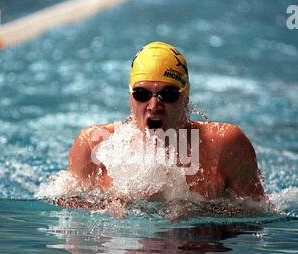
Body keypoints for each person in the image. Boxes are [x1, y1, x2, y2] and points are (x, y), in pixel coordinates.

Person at [67, 41, 266, 203]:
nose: (154, 105)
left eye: (168, 94)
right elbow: (65, 208)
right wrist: (105, 207)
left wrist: (198, 213)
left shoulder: (225, 146)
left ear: (185, 98)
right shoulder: (94, 145)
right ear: (130, 97)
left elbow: (258, 216)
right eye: (142, 94)